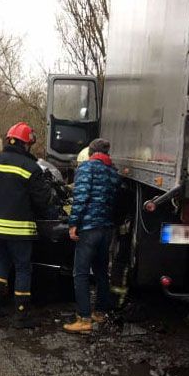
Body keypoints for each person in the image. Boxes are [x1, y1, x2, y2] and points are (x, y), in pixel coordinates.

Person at [0, 122, 51, 328]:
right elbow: (42, 200)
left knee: (2, 260)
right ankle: (22, 314)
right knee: (23, 267)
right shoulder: (30, 167)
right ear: (26, 145)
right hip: (17, 228)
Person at [63, 138, 121, 334]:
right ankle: (100, 312)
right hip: (106, 229)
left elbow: (80, 197)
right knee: (101, 272)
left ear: (90, 153)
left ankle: (84, 318)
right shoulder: (113, 172)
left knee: (80, 273)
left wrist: (73, 224)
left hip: (88, 228)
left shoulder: (87, 168)